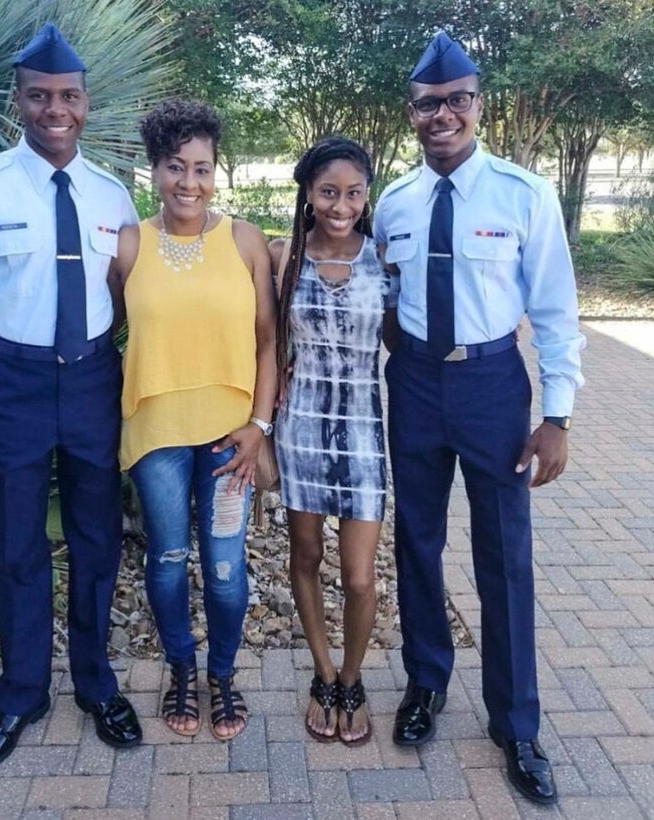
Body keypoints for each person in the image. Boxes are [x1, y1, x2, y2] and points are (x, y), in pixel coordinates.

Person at [374, 32, 585, 804]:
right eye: (428, 104)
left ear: (478, 105)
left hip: (493, 385)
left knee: (504, 553)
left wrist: (557, 415)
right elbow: (381, 295)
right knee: (417, 540)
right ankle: (426, 682)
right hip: (415, 384)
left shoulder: (524, 195)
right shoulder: (393, 202)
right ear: (411, 112)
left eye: (456, 101)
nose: (443, 115)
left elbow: (556, 311)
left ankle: (516, 723)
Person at [0, 23, 142, 772]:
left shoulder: (113, 194)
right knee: (17, 546)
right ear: (17, 101)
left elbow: (133, 293)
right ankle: (21, 695)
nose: (56, 110)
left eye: (69, 97)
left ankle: (96, 684)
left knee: (96, 539)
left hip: (92, 381)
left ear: (86, 103)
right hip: (12, 385)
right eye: (41, 96)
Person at [117, 100, 277, 741]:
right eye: (175, 166)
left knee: (225, 567)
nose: (189, 182)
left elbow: (269, 340)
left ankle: (222, 674)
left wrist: (260, 425)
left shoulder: (244, 240)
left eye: (202, 168)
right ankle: (181, 669)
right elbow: (91, 325)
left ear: (216, 171)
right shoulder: (130, 244)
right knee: (166, 558)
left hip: (230, 437)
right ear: (154, 169)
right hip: (155, 433)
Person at [271, 137, 398, 746]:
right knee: (304, 558)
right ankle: (324, 675)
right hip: (300, 428)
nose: (340, 206)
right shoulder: (284, 257)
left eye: (352, 193)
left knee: (359, 577)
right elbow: (261, 338)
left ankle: (354, 677)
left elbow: (405, 341)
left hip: (365, 432)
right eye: (328, 192)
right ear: (308, 194)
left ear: (367, 196)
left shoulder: (384, 262)